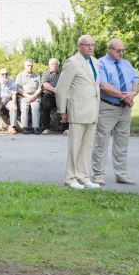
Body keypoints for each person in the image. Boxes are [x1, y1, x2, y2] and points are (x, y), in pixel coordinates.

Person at [91, 39, 139, 186]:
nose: (122, 53)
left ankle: (121, 175)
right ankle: (98, 174)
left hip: (125, 109)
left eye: (123, 50)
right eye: (119, 50)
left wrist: (132, 94)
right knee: (101, 142)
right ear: (109, 49)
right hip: (108, 107)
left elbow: (136, 81)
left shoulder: (126, 63)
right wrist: (124, 96)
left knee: (122, 143)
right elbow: (103, 85)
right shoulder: (100, 63)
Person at [55, 35, 101, 190]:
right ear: (79, 46)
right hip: (78, 111)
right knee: (74, 147)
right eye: (87, 45)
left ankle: (83, 176)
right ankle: (70, 178)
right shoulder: (72, 62)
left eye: (92, 45)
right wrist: (62, 111)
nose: (90, 47)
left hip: (92, 110)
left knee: (87, 147)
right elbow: (61, 89)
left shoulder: (95, 62)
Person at [40, 58, 69, 135]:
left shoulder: (62, 74)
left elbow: (66, 83)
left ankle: (66, 129)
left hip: (61, 95)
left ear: (58, 65)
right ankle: (46, 128)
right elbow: (45, 84)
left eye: (56, 64)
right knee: (46, 105)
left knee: (66, 105)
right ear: (49, 65)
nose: (54, 66)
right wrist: (55, 90)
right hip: (49, 94)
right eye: (53, 64)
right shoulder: (46, 74)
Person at [16, 60, 42, 134]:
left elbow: (40, 87)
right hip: (24, 96)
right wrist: (28, 96)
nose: (30, 67)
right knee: (24, 107)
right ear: (25, 66)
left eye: (31, 65)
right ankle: (24, 127)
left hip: (35, 96)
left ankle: (36, 127)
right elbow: (18, 88)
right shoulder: (20, 75)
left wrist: (34, 95)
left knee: (36, 107)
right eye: (28, 65)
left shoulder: (37, 75)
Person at [0, 68, 18, 134]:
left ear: (8, 75)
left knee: (13, 107)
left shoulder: (11, 81)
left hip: (8, 100)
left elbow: (14, 93)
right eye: (2, 74)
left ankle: (13, 127)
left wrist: (14, 103)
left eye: (6, 74)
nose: (4, 76)